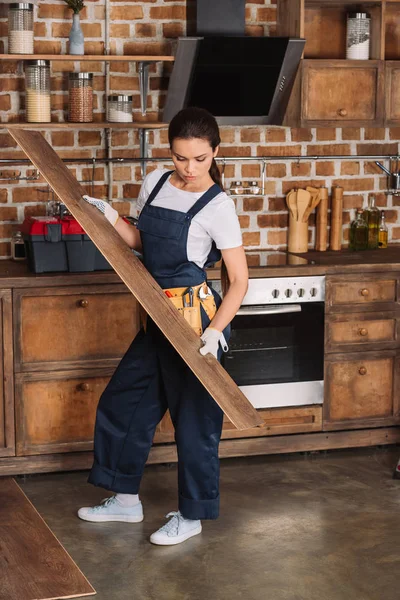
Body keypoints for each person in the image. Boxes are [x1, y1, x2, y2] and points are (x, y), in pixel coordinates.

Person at [77, 107, 249, 545]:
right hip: (158, 312)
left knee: (194, 421)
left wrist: (214, 333)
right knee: (124, 402)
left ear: (215, 153)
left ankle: (191, 515)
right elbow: (139, 242)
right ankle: (124, 500)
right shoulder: (154, 181)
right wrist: (109, 216)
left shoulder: (218, 207)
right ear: (168, 152)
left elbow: (240, 280)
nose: (190, 169)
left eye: (200, 159)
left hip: (195, 321)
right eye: (180, 158)